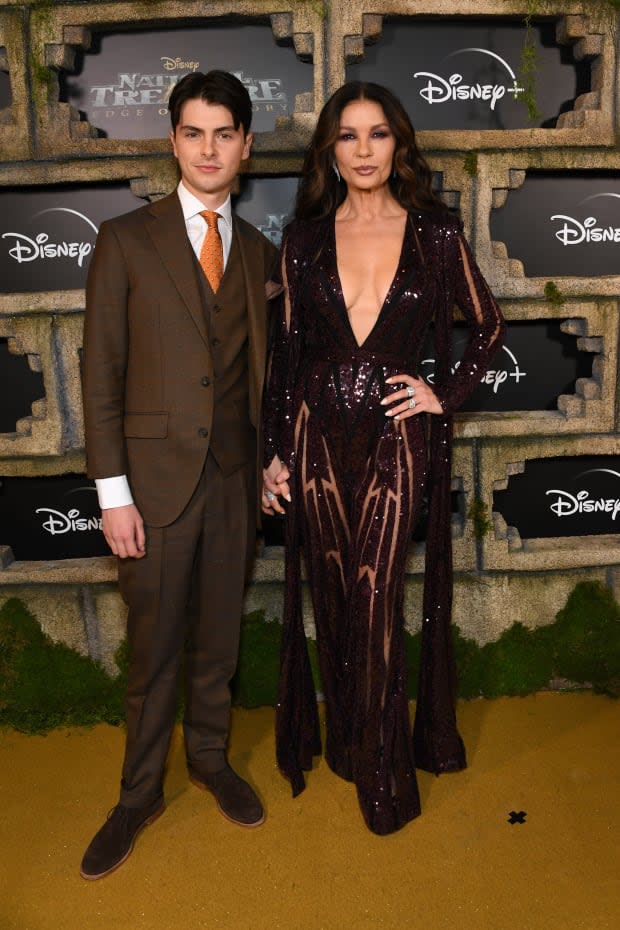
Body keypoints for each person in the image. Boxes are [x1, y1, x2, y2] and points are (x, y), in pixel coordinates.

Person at [262, 81, 505, 835]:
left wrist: (443, 395)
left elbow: (489, 325)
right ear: (329, 153)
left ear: (398, 146)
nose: (363, 151)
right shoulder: (301, 240)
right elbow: (285, 354)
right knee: (334, 599)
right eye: (347, 137)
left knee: (375, 601)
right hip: (316, 442)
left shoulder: (435, 235)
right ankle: (349, 746)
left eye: (377, 135)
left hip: (397, 443)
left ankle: (385, 774)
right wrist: (273, 452)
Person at [80, 70, 279, 879]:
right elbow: (101, 374)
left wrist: (270, 462)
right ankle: (137, 795)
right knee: (154, 649)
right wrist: (112, 493)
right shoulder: (126, 241)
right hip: (152, 491)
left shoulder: (261, 252)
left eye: (224, 133)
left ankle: (209, 759)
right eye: (193, 133)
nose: (209, 148)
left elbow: (263, 371)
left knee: (216, 644)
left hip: (233, 481)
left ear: (245, 145)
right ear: (172, 142)